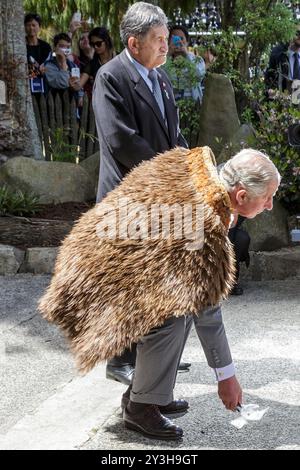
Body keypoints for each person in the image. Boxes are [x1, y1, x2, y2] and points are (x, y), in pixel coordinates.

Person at [39, 146, 280, 441]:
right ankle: (140, 407)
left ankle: (149, 392)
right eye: (267, 198)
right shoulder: (202, 219)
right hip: (98, 278)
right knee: (173, 317)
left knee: (181, 305)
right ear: (241, 196)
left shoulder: (200, 175)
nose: (269, 206)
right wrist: (226, 377)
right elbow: (208, 310)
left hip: (106, 258)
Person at [92, 2, 189, 385]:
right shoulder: (110, 76)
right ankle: (119, 360)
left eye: (167, 39)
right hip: (126, 198)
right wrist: (169, 172)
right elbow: (121, 141)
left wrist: (188, 165)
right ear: (134, 43)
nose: (167, 47)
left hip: (159, 197)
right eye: (159, 40)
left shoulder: (159, 78)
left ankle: (153, 356)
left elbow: (172, 134)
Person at [165, 24, 206, 103]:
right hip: (171, 106)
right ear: (169, 41)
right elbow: (159, 76)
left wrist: (186, 55)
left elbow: (199, 76)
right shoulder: (163, 60)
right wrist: (169, 53)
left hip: (192, 106)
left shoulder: (197, 59)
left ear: (187, 42)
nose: (178, 41)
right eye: (174, 38)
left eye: (181, 38)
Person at [79, 27, 115, 97]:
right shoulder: (92, 64)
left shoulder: (119, 58)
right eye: (92, 44)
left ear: (106, 41)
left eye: (98, 44)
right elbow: (79, 85)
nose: (95, 47)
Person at [265, 28, 300, 97]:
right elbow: (270, 76)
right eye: (298, 33)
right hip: (283, 99)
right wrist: (270, 91)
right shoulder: (278, 55)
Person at [24, 13, 51, 94]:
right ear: (24, 27)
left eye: (34, 25)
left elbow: (48, 63)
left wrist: (42, 69)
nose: (31, 28)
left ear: (39, 27)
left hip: (43, 84)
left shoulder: (46, 46)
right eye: (28, 25)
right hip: (26, 85)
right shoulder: (20, 45)